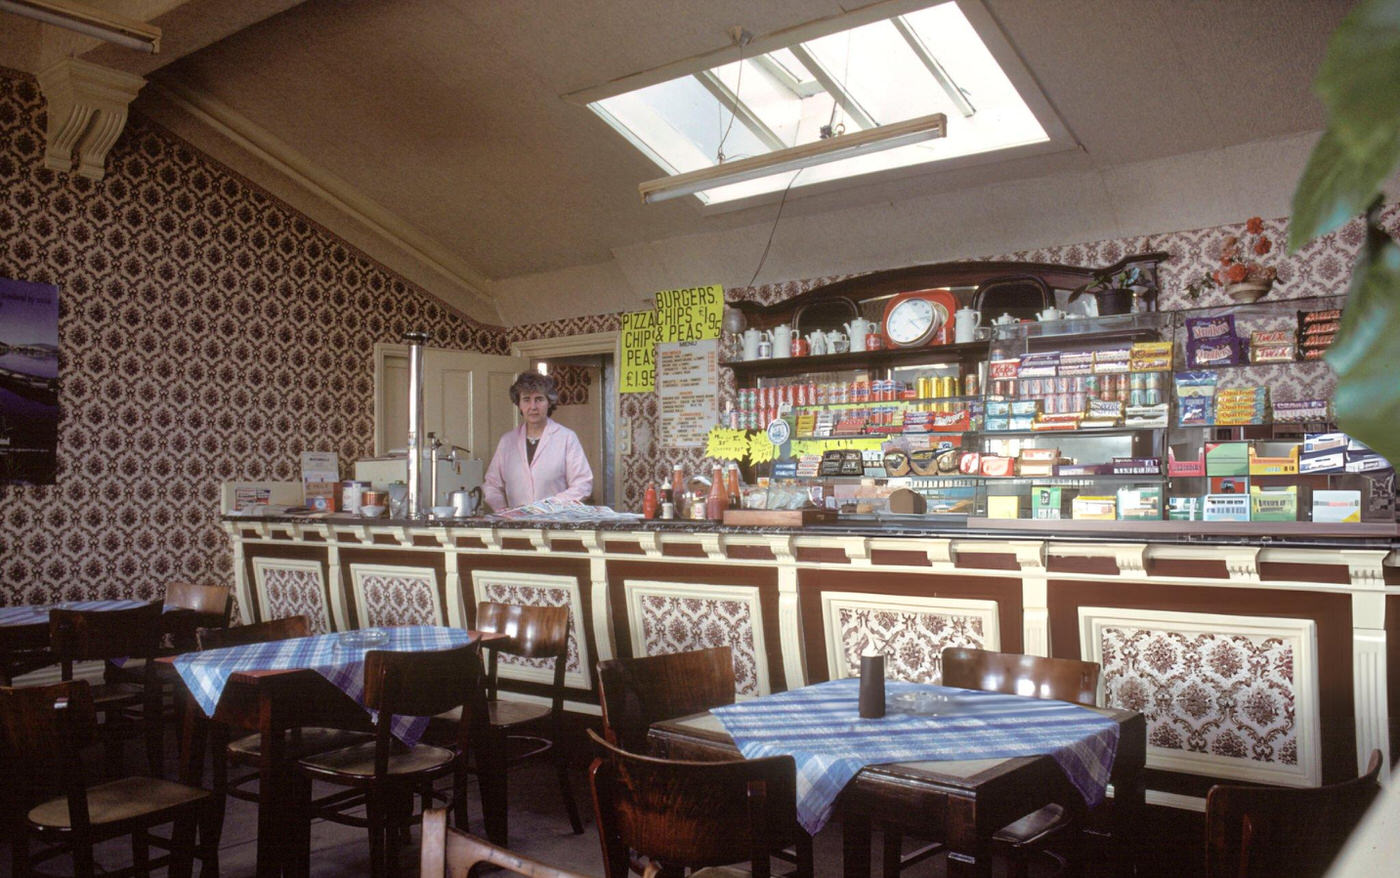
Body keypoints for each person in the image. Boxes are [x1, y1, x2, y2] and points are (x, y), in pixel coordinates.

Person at [481, 372, 593, 512]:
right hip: (516, 526)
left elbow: (582, 484)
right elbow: (492, 484)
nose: (533, 406)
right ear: (519, 404)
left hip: (556, 524)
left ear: (549, 402)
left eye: (539, 399)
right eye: (526, 399)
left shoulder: (566, 438)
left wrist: (548, 506)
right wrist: (502, 509)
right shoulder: (507, 441)